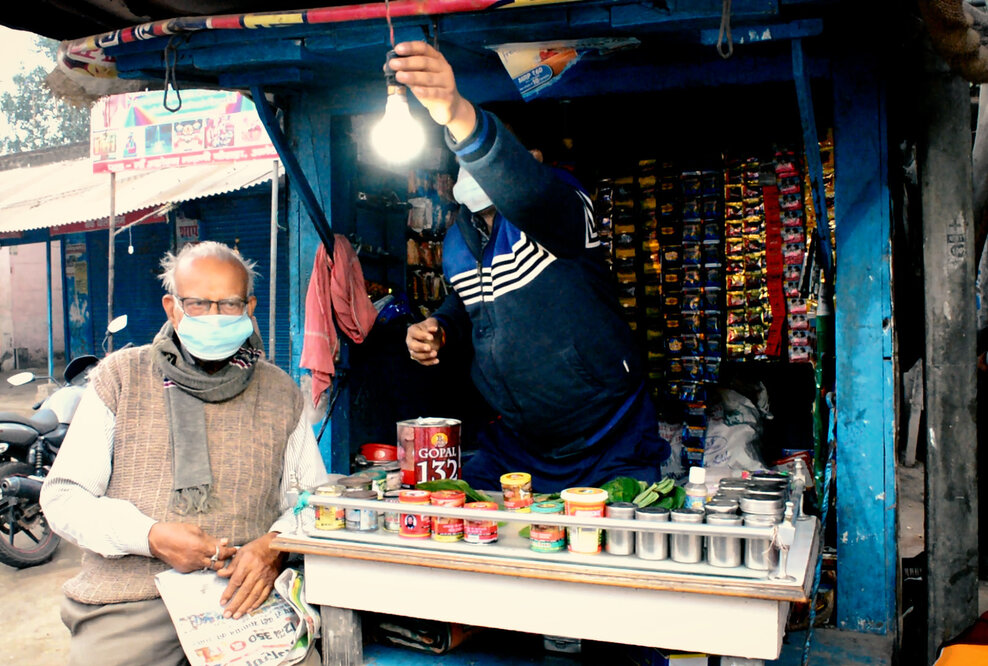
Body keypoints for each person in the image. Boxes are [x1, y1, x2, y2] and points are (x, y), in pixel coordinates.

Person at [398, 41, 669, 492]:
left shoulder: (561, 202)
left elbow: (529, 195)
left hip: (609, 437)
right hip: (519, 444)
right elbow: (470, 305)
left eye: (481, 153)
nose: (472, 166)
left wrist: (460, 116)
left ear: (531, 160)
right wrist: (439, 328)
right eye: (465, 158)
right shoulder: (455, 242)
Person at [40, 241, 326, 666]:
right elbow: (63, 497)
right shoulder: (121, 377)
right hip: (133, 601)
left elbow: (314, 502)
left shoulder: (280, 391)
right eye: (198, 304)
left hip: (244, 597)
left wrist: (274, 546)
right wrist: (150, 537)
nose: (214, 316)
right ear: (173, 308)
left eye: (228, 304)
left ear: (249, 307)